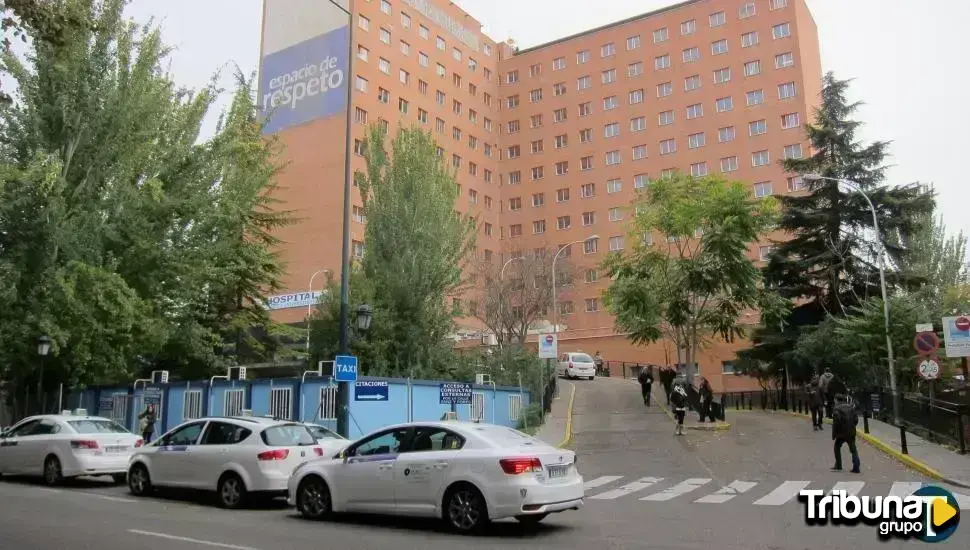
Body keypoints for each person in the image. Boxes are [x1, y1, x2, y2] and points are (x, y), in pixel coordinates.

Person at [831, 393, 861, 473]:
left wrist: (835, 434)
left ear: (836, 400)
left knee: (837, 447)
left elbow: (836, 423)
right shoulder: (850, 407)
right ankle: (856, 466)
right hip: (851, 431)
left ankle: (838, 465)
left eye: (834, 400)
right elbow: (856, 420)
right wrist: (852, 426)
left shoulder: (836, 409)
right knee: (853, 449)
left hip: (841, 433)